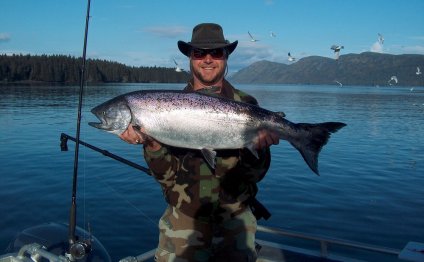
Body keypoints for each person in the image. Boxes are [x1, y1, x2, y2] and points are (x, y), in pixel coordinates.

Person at [120, 23, 280, 262]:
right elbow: (165, 178)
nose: (208, 59)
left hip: (235, 224)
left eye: (216, 52)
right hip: (182, 224)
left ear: (226, 57)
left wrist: (258, 149)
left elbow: (255, 175)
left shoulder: (247, 103)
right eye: (199, 53)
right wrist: (151, 145)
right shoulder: (163, 110)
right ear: (189, 58)